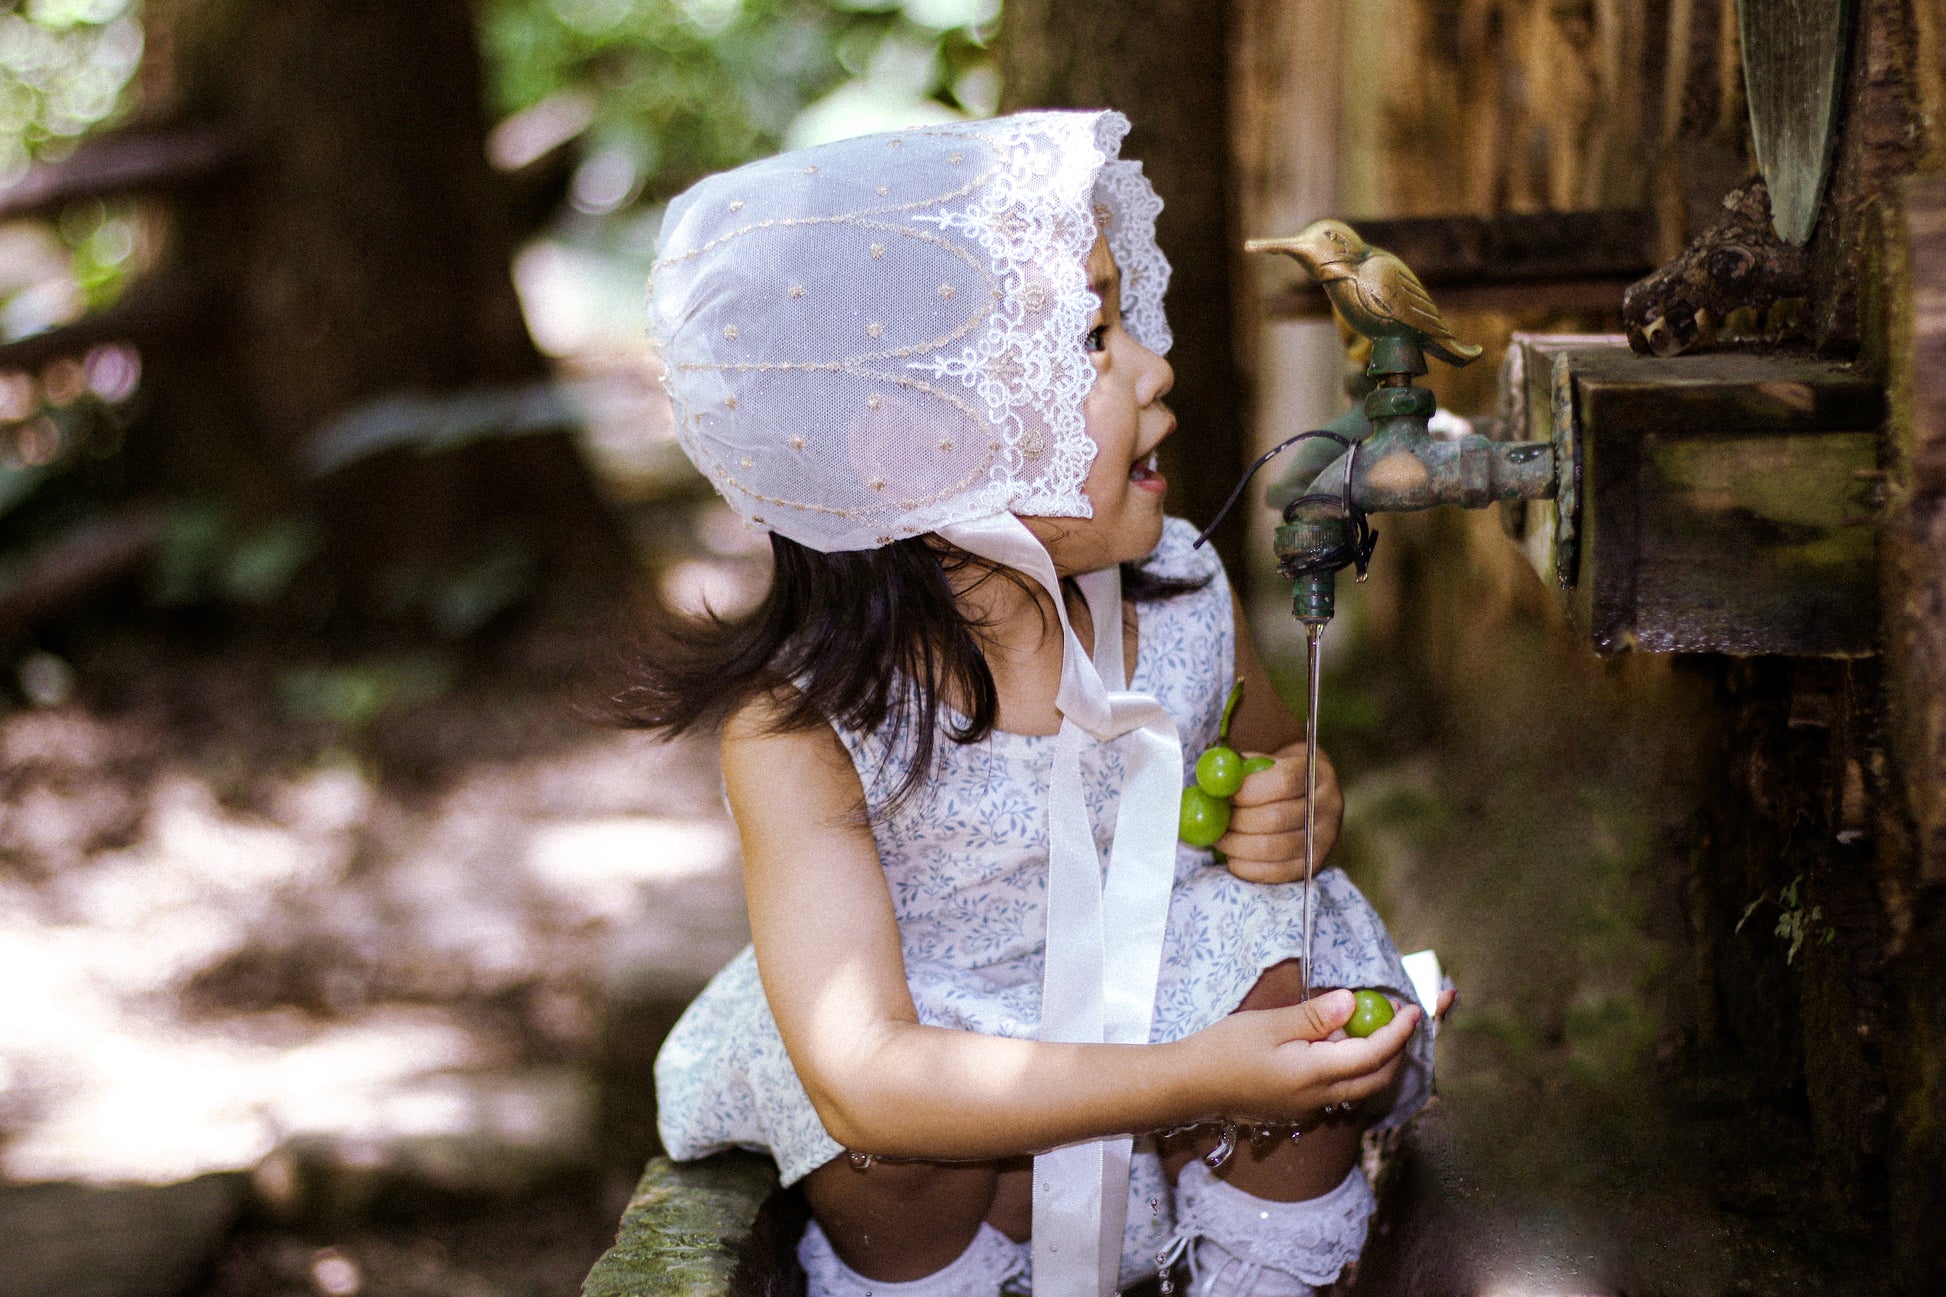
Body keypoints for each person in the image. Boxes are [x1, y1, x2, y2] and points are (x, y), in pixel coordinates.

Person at [625, 110, 1445, 1297]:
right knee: (871, 1132)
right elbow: (866, 1071)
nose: (1153, 366)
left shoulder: (1179, 602)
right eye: (1090, 339)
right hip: (973, 1153)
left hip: (1203, 1117)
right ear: (913, 443)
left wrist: (1299, 810)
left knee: (1288, 963)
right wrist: (1197, 1073)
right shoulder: (804, 734)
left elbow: (1275, 769)